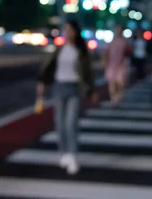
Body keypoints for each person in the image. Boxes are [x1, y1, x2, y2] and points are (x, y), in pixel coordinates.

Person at [36, 20, 97, 175]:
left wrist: (92, 90)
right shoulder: (59, 49)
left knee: (71, 123)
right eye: (65, 29)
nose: (67, 32)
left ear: (75, 32)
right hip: (59, 88)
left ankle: (73, 155)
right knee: (59, 123)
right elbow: (48, 68)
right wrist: (42, 84)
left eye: (70, 30)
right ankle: (63, 152)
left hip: (74, 88)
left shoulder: (81, 51)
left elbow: (88, 73)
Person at [103, 23, 132, 106]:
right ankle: (113, 99)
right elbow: (106, 52)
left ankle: (118, 97)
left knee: (120, 83)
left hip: (121, 65)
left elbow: (129, 52)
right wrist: (105, 61)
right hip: (112, 64)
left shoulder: (124, 41)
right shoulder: (112, 41)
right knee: (111, 82)